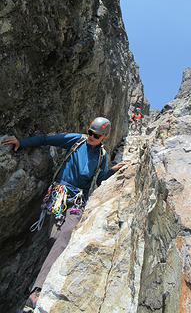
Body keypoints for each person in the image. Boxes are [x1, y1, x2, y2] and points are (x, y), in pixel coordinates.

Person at [2, 117, 126, 312]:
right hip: (59, 195)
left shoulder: (102, 156)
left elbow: (101, 179)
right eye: (90, 132)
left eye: (96, 135)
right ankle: (35, 286)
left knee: (66, 235)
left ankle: (37, 291)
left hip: (77, 201)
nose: (91, 136)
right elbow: (46, 139)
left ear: (104, 137)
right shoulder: (76, 140)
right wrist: (21, 143)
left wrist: (112, 171)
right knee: (53, 237)